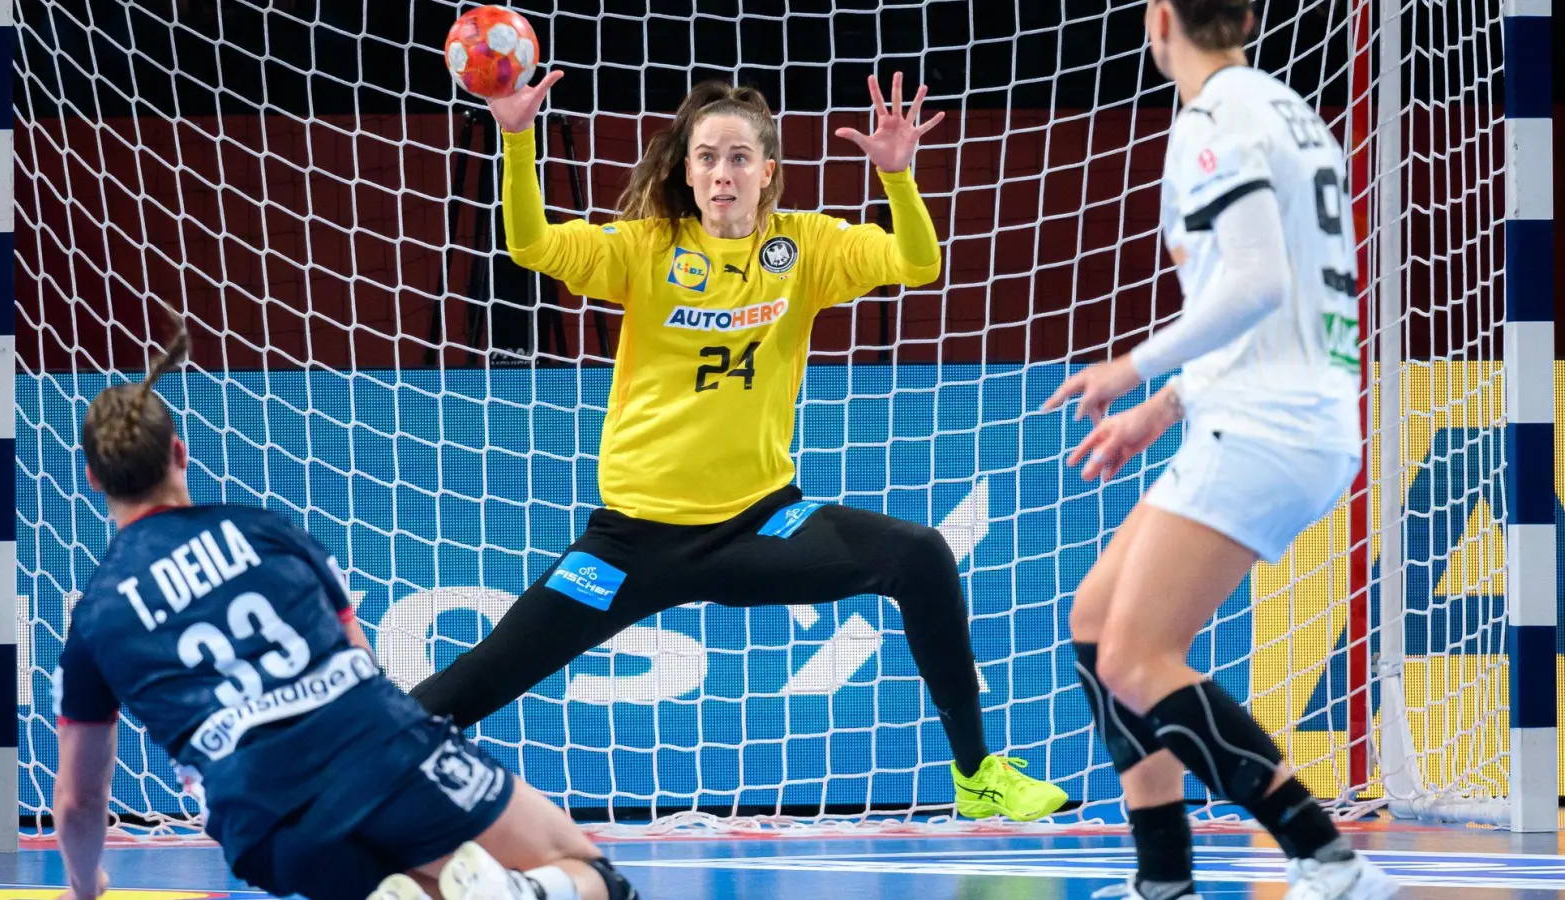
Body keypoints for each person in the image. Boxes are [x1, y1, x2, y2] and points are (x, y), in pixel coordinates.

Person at [408, 71, 1068, 821]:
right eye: (707, 157)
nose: (723, 172)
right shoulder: (646, 248)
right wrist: (518, 138)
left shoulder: (805, 246)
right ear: (686, 172)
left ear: (768, 172)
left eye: (740, 157)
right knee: (480, 678)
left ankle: (977, 775)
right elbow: (529, 245)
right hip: (632, 544)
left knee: (919, 556)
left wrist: (897, 179)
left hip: (761, 525)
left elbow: (918, 264)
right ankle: (340, 764)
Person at [53, 320, 639, 900]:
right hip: (376, 750)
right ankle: (522, 894)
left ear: (92, 478)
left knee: (416, 888)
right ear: (180, 452)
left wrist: (86, 887)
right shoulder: (265, 531)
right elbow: (361, 659)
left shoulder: (96, 617)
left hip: (263, 822)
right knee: (591, 875)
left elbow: (80, 801)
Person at [1042, 1, 1400, 899]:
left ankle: (1326, 857)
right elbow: (1269, 304)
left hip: (1267, 422)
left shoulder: (1214, 116)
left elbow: (1250, 285)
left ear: (1160, 18)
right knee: (1096, 624)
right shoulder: (1285, 108)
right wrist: (1160, 410)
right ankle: (1163, 880)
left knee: (1135, 656)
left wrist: (1130, 367)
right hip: (1280, 409)